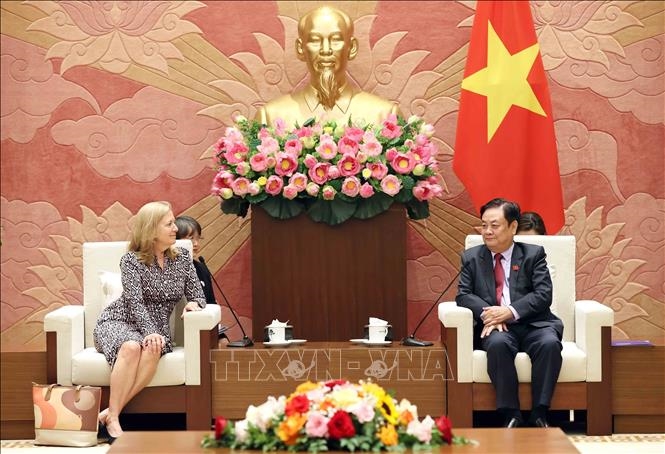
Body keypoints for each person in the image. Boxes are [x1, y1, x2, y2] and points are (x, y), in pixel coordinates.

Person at [93, 201, 206, 438]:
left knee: (153, 348)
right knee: (132, 347)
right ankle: (114, 420)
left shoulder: (183, 258)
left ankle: (111, 413)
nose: (175, 228)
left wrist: (195, 304)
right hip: (119, 321)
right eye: (169, 224)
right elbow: (134, 303)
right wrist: (149, 332)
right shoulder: (131, 261)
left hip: (157, 328)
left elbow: (197, 294)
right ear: (151, 229)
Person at [456, 198, 563, 428]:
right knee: (497, 344)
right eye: (484, 225)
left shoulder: (533, 254)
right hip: (497, 327)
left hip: (534, 324)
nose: (487, 231)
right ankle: (511, 413)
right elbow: (463, 295)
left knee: (549, 344)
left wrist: (509, 311)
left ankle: (540, 413)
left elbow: (543, 294)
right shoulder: (471, 258)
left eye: (494, 225)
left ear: (513, 227)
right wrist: (490, 315)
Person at [257, 5, 399, 129]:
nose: (325, 50)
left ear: (352, 47)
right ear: (300, 48)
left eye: (336, 40)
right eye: (315, 40)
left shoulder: (385, 116)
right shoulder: (270, 117)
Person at [174, 216, 229, 340]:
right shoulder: (169, 269)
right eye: (191, 238)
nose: (196, 244)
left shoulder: (201, 268)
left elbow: (210, 302)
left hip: (203, 327)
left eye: (198, 238)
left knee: (224, 342)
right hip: (179, 330)